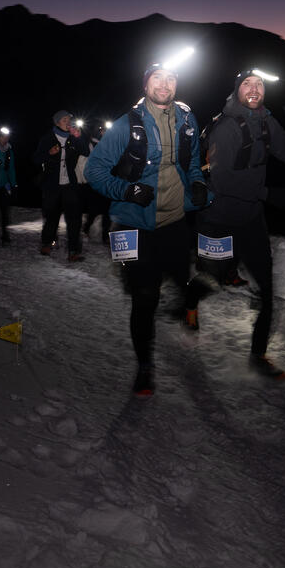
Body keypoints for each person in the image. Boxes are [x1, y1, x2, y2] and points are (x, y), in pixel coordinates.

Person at [86, 58, 211, 396]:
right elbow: (94, 171)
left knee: (180, 276)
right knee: (144, 297)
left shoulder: (187, 119)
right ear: (145, 85)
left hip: (174, 222)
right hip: (130, 225)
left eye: (170, 78)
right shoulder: (127, 125)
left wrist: (198, 184)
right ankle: (144, 366)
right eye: (157, 78)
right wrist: (126, 190)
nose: (164, 84)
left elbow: (195, 164)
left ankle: (187, 301)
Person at [197, 69, 285, 380]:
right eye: (247, 83)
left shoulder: (265, 121)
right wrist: (266, 193)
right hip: (218, 218)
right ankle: (190, 302)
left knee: (267, 289)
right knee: (212, 277)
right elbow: (221, 179)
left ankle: (258, 355)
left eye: (259, 84)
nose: (254, 88)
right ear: (236, 91)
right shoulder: (226, 127)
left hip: (250, 220)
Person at [34, 110, 90, 261]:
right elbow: (36, 159)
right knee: (51, 216)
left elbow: (86, 151)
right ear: (57, 122)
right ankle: (47, 243)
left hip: (70, 185)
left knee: (74, 219)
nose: (68, 122)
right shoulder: (48, 138)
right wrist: (49, 153)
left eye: (69, 120)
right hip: (51, 185)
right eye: (65, 120)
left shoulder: (73, 137)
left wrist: (78, 137)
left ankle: (73, 251)